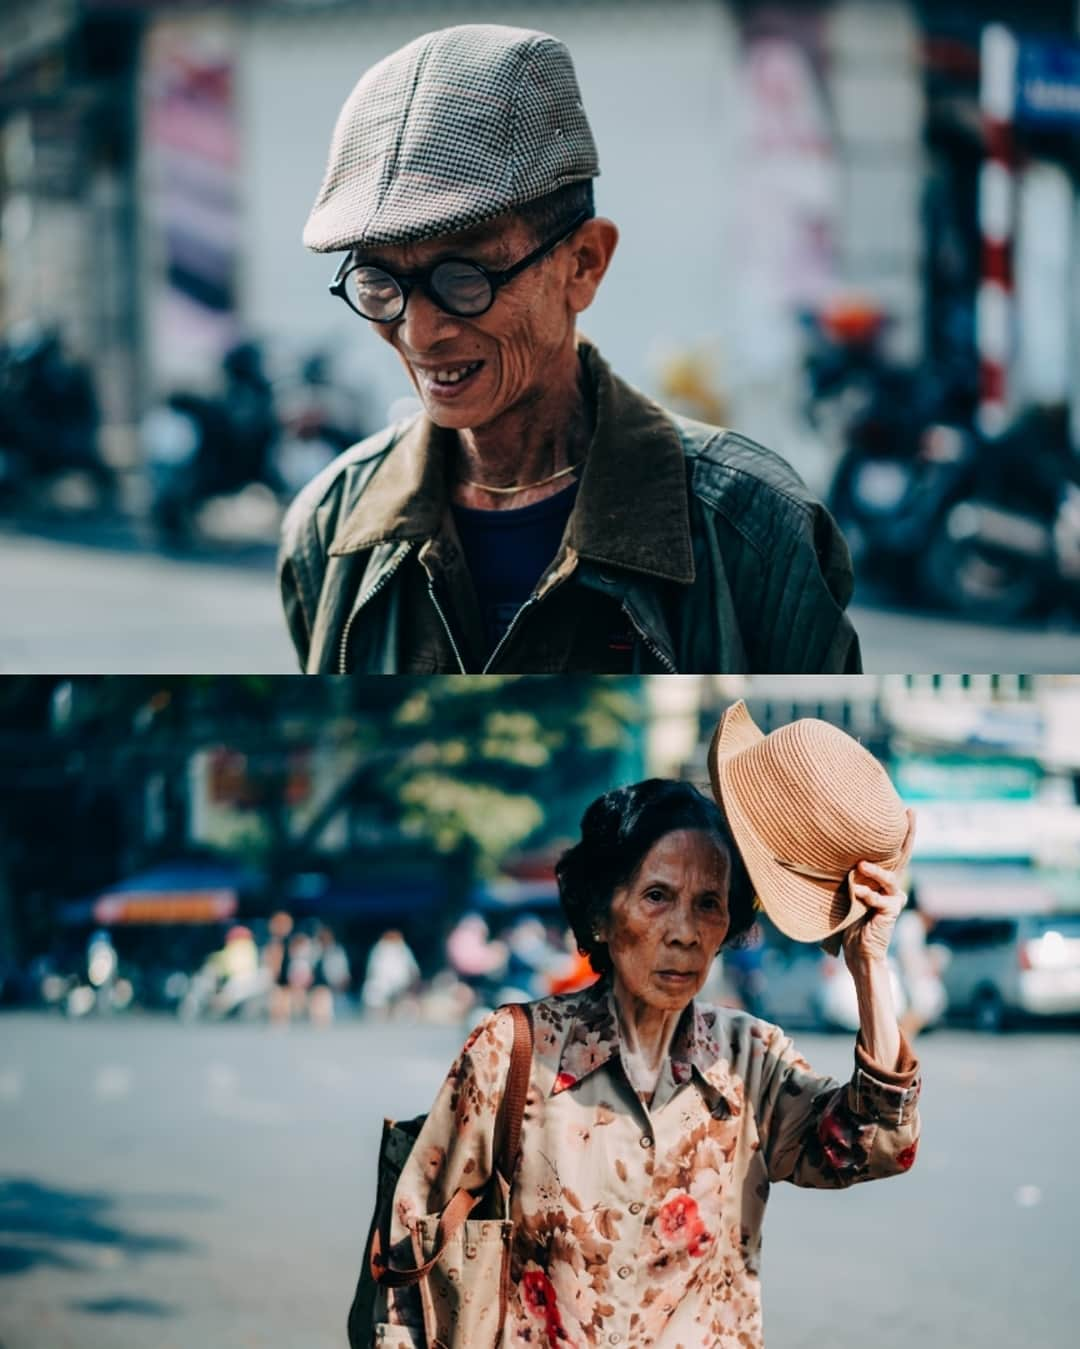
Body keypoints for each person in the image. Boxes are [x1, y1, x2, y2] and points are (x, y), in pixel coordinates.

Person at [280, 23, 861, 674]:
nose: (418, 333)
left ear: (583, 264)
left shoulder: (755, 531)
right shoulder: (328, 529)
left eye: (464, 277)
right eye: (379, 281)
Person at [367, 778, 920, 1347]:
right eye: (657, 896)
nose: (684, 932)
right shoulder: (509, 1052)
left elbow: (877, 1143)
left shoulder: (752, 1061)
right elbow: (410, 1258)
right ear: (601, 914)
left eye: (709, 904)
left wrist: (869, 963)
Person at [895, 888, 947, 1039]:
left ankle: (901, 1043)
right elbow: (906, 952)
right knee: (922, 1008)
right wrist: (919, 971)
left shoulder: (908, 921)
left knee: (921, 1009)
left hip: (913, 974)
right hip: (914, 976)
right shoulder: (911, 923)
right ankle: (900, 1043)